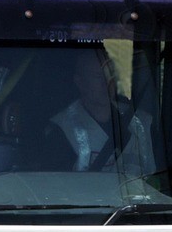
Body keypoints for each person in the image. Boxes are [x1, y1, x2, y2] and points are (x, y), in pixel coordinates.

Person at [43, 47, 155, 175]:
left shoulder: (142, 122)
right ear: (79, 81)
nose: (106, 83)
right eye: (98, 76)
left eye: (110, 75)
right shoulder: (61, 130)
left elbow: (157, 177)